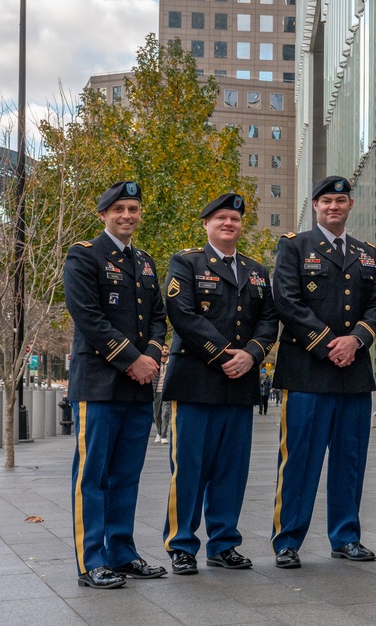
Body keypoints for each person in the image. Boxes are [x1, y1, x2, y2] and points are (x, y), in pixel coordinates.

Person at [270, 175, 376, 568]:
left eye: (340, 200)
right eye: (326, 201)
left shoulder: (366, 252)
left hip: (353, 372)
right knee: (299, 461)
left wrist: (356, 341)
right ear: (315, 206)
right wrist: (327, 343)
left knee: (349, 461)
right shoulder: (294, 246)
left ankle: (346, 537)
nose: (333, 206)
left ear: (350, 205)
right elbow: (286, 300)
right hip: (306, 372)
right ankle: (287, 541)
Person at [161, 192, 279, 575]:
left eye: (235, 219)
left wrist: (253, 354)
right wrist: (227, 354)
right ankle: (181, 545)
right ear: (206, 224)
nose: (229, 224)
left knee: (232, 469)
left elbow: (268, 321)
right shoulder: (187, 262)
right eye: (221, 218)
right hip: (197, 380)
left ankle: (224, 542)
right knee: (190, 467)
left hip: (240, 383)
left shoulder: (256, 270)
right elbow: (183, 315)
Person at [63, 180, 168, 589]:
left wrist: (154, 355)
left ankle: (121, 552)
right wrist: (132, 360)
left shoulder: (144, 261)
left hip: (137, 386)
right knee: (93, 475)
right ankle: (91, 561)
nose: (128, 215)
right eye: (119, 209)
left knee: (127, 474)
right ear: (103, 214)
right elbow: (88, 317)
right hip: (99, 385)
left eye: (134, 209)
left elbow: (158, 316)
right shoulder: (84, 256)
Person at [152, 348, 171, 444]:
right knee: (156, 414)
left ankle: (163, 435)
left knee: (165, 414)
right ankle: (159, 433)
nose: (164, 350)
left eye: (166, 349)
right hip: (156, 391)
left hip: (167, 391)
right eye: (163, 349)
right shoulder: (155, 362)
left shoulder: (171, 363)